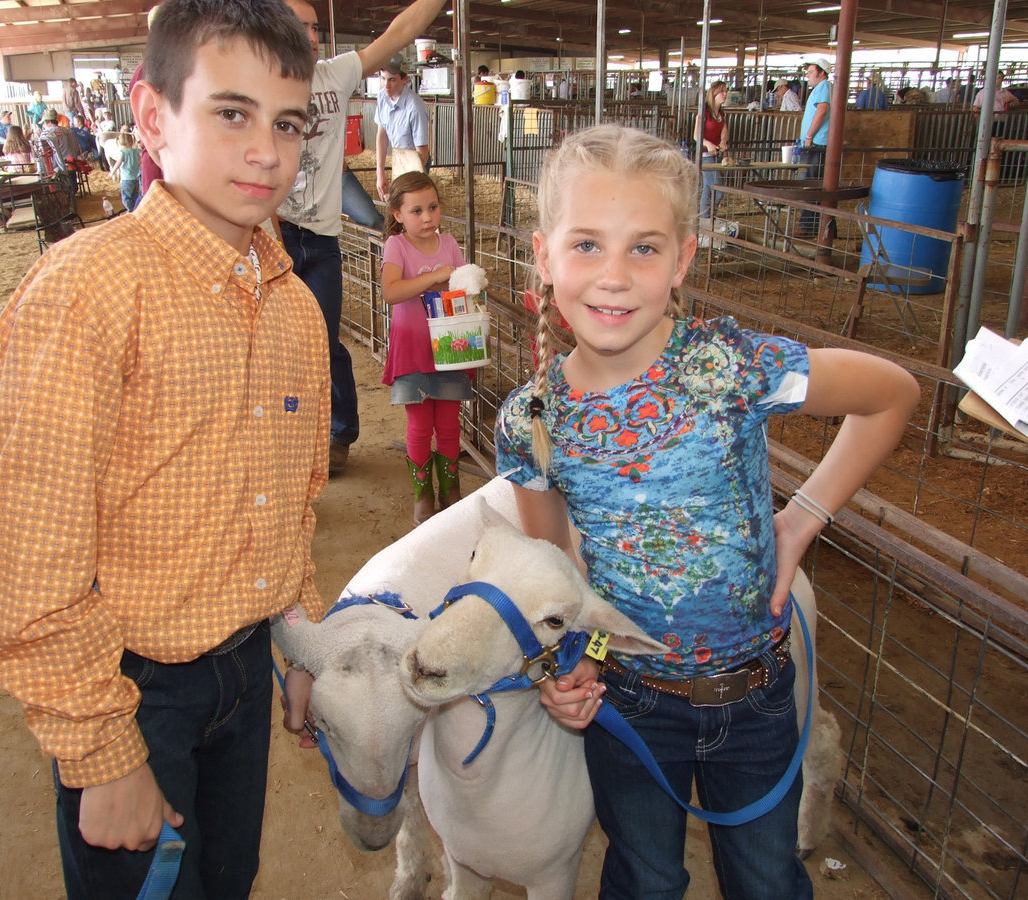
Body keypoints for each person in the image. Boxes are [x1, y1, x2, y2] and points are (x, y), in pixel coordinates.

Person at [496, 123, 919, 899]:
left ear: (684, 259)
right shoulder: (532, 418)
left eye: (645, 248)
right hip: (632, 701)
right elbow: (556, 574)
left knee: (764, 879)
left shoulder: (732, 366)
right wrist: (572, 657)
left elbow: (892, 395)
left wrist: (802, 518)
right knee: (646, 878)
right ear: (543, 254)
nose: (614, 277)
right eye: (586, 245)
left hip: (755, 697)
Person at [0, 2, 323, 898]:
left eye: (288, 123)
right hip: (132, 690)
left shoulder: (296, 310)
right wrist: (100, 752)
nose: (266, 151)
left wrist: (300, 640)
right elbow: (30, 553)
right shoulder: (91, 288)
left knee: (226, 880)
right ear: (153, 115)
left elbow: (291, 495)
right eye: (232, 112)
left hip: (244, 665)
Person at [276, 0, 448, 476]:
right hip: (276, 233)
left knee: (326, 339)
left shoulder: (336, 74)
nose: (310, 36)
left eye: (314, 27)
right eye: (300, 27)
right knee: (277, 345)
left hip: (322, 233)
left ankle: (338, 434)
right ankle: (284, 443)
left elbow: (399, 32)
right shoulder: (260, 81)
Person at [379, 172, 470, 525]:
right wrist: (434, 278)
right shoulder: (396, 246)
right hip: (413, 348)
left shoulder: (449, 244)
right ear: (398, 214)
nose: (428, 217)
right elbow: (391, 292)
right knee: (419, 425)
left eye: (432, 207)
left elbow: (464, 286)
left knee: (448, 424)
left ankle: (450, 489)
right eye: (417, 211)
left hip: (449, 346)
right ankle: (423, 495)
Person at [375, 54, 431, 200]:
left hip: (415, 162)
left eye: (392, 80)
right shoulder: (382, 96)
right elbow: (382, 134)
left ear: (404, 79)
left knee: (409, 205)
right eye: (383, 78)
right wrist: (380, 173)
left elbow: (422, 153)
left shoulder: (415, 108)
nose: (386, 85)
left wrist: (405, 184)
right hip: (399, 158)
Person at [799, 56, 832, 235]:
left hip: (817, 143)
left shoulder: (824, 88)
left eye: (811, 72)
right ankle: (814, 225)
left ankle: (808, 226)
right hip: (815, 143)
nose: (808, 76)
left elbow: (822, 110)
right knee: (812, 182)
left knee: (812, 184)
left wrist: (809, 135)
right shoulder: (821, 88)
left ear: (821, 73)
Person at [694, 80, 729, 225]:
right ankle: (707, 219)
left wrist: (723, 141)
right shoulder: (704, 112)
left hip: (715, 156)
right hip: (705, 156)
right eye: (722, 91)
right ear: (713, 93)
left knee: (709, 188)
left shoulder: (720, 113)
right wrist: (708, 144)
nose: (725, 94)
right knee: (716, 189)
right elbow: (696, 135)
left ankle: (705, 221)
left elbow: (724, 130)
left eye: (726, 91)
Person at [110, 130, 142, 212]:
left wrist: (112, 172)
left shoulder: (123, 152)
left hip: (126, 179)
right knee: (135, 196)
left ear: (121, 143)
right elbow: (140, 161)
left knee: (126, 197)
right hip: (136, 178)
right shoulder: (136, 151)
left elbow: (118, 163)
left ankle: (130, 210)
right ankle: (135, 210)